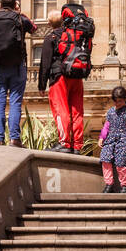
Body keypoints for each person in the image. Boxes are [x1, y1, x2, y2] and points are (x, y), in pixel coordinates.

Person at [0, 0, 35, 146]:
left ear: (0, 5)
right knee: (15, 102)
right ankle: (14, 138)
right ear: (15, 5)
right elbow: (34, 28)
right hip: (17, 65)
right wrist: (19, 12)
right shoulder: (19, 18)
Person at [38, 9, 84, 153]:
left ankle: (64, 143)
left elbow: (45, 63)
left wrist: (42, 85)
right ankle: (77, 145)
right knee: (77, 111)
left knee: (61, 109)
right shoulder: (74, 35)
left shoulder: (50, 37)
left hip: (59, 77)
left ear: (50, 23)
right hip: (77, 76)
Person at [99, 86, 126, 193]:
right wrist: (102, 137)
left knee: (121, 163)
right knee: (105, 159)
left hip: (123, 138)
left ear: (124, 99)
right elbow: (106, 126)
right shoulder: (111, 111)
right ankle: (109, 184)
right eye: (115, 101)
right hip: (110, 138)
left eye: (120, 101)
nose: (117, 103)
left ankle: (125, 185)